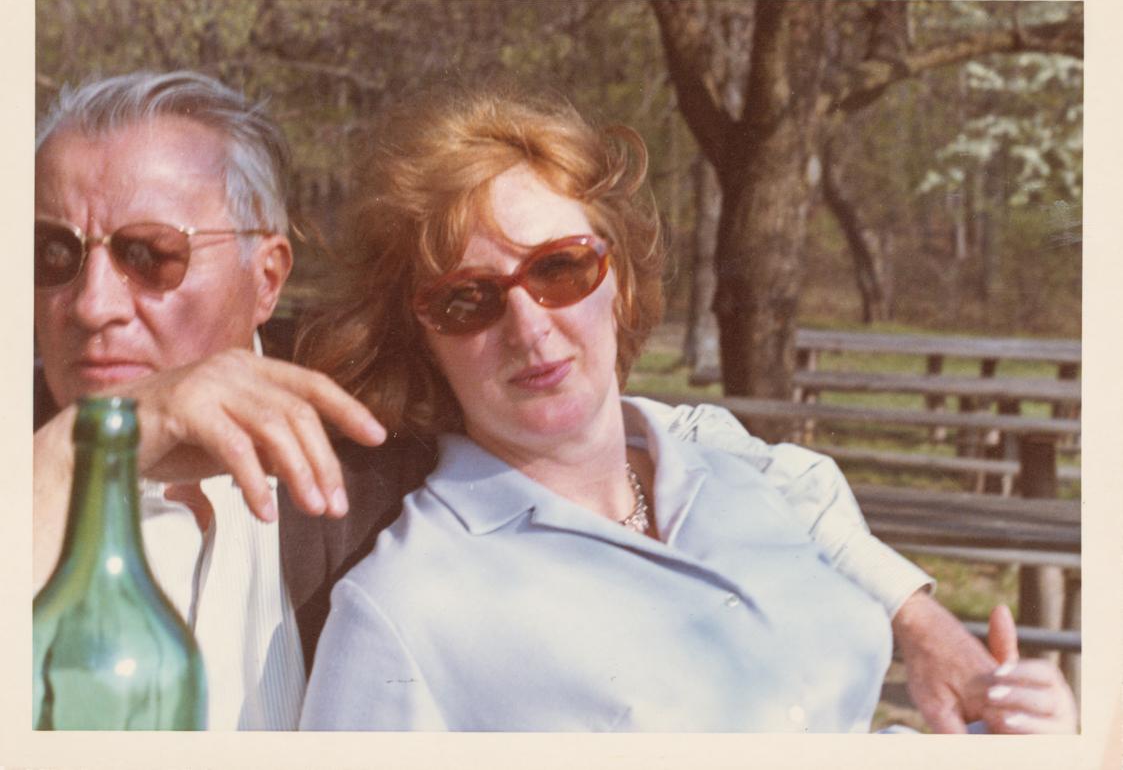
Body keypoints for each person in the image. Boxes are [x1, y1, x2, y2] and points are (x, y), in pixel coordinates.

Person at [30, 70, 1016, 732]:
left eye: (149, 255)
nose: (94, 304)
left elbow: (713, 452)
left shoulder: (359, 455)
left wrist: (919, 620)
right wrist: (97, 444)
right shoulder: (409, 589)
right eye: (52, 254)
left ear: (269, 273)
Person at [297, 84, 1077, 733]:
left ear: (620, 283)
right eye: (467, 300)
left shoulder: (745, 476)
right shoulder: (407, 609)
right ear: (420, 338)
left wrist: (1002, 730)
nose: (529, 325)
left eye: (561, 268)